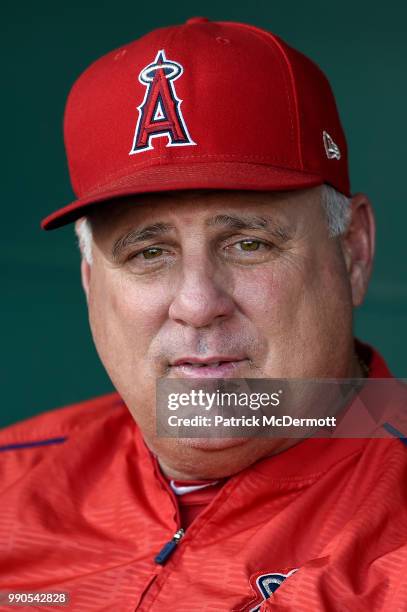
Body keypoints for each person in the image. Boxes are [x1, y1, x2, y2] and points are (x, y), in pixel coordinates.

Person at [0, 17, 406, 612]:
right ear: (91, 285)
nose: (196, 304)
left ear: (354, 254)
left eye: (249, 243)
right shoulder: (12, 482)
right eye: (148, 252)